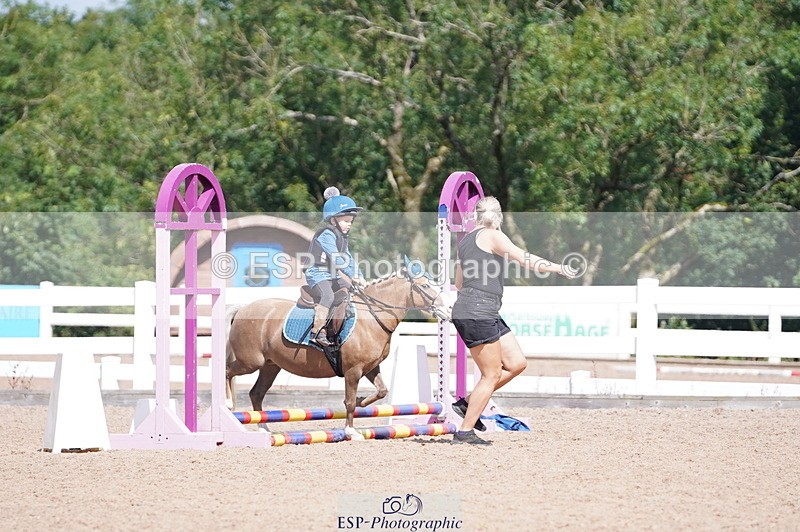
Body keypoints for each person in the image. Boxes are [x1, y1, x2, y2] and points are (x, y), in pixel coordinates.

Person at [450, 196, 578, 445]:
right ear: (498, 216)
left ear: (476, 216)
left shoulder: (465, 241)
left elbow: (459, 283)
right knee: (491, 374)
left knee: (517, 363)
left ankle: (468, 404)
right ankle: (464, 431)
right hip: (480, 311)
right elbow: (524, 259)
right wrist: (559, 268)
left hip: (477, 308)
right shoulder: (493, 235)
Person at [305, 187, 365, 347]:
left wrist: (359, 276)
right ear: (333, 221)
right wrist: (352, 275)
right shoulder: (326, 235)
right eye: (346, 221)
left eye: (351, 221)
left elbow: (349, 259)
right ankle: (317, 331)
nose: (349, 225)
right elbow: (338, 260)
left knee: (354, 290)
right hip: (317, 273)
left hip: (332, 274)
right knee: (328, 296)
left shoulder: (342, 238)